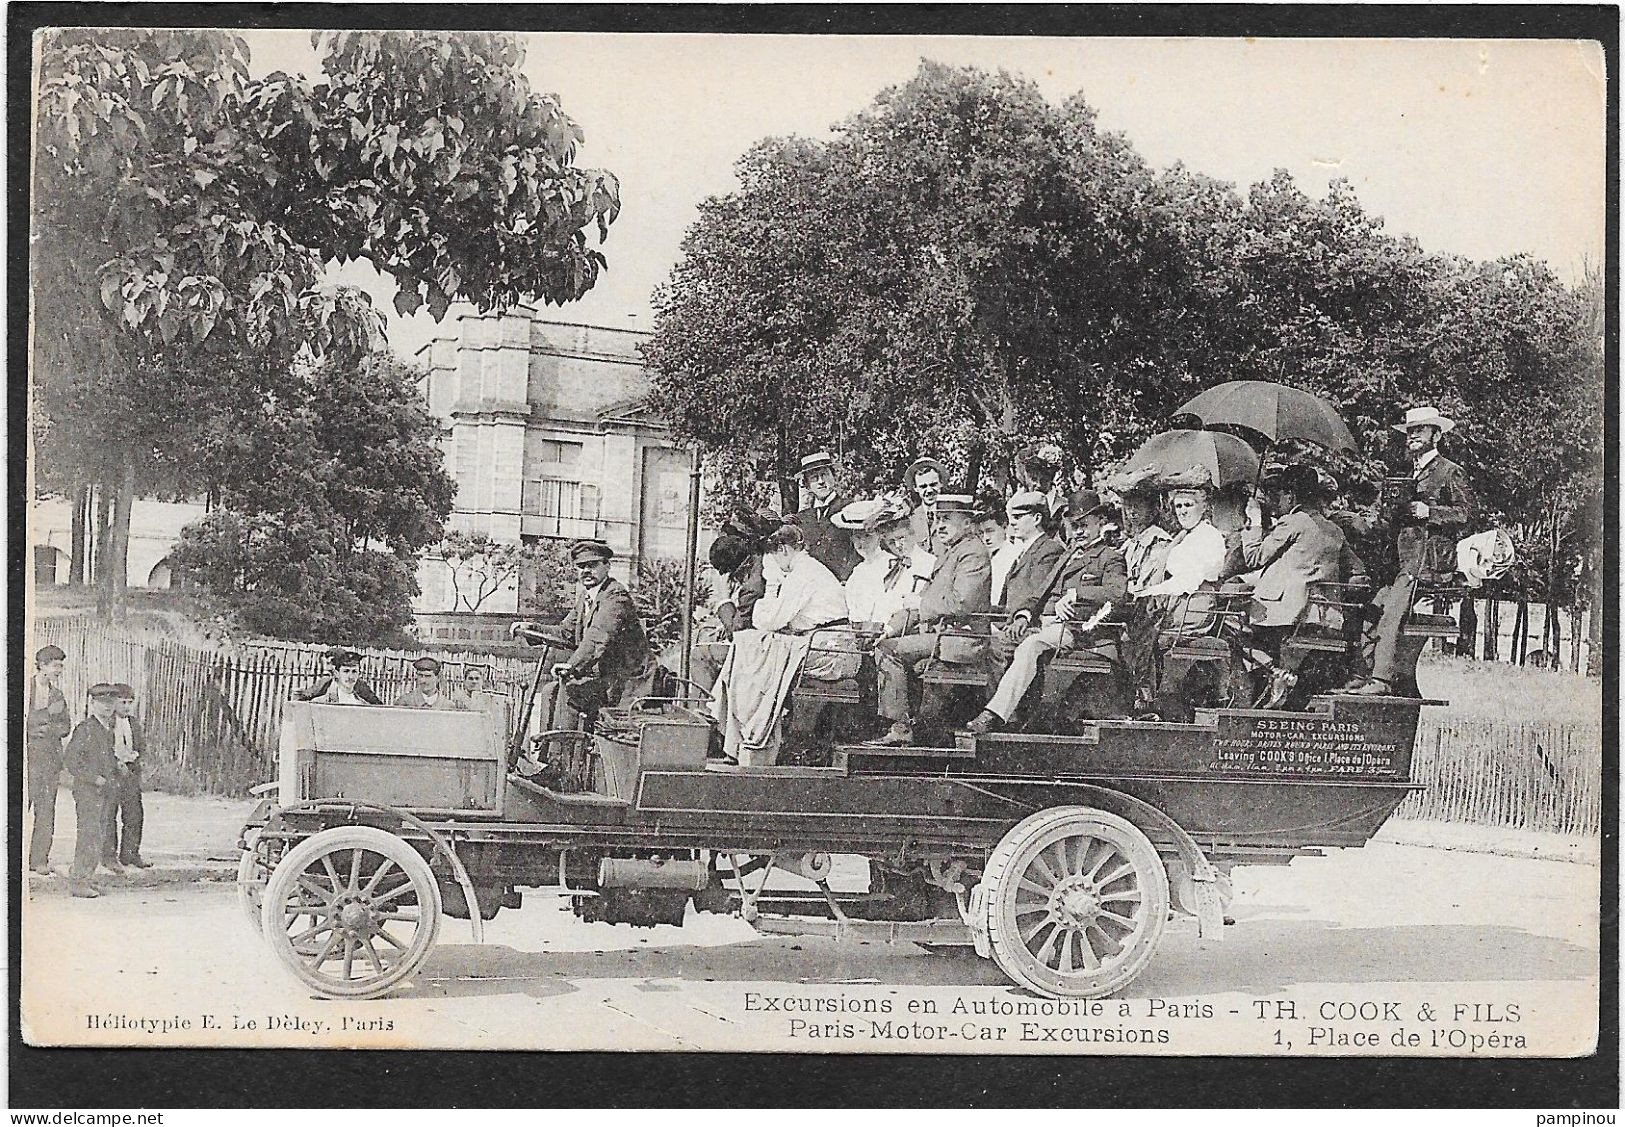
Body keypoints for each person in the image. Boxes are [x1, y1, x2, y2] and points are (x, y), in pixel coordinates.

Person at [968, 489, 1128, 735]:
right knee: (998, 641)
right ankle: (1014, 715)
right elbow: (1040, 593)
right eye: (1074, 527)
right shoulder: (1068, 556)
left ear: (1101, 522)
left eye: (1084, 525)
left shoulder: (1110, 557)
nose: (1079, 532)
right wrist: (1023, 615)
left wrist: (1075, 595)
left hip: (1080, 631)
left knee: (1031, 645)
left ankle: (995, 714)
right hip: (1049, 625)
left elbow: (1117, 594)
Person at [1349, 406, 1477, 695]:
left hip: (1428, 565)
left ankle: (1381, 680)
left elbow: (1467, 515)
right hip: (1400, 563)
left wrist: (1428, 511)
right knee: (1371, 610)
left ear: (1437, 433)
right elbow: (1386, 523)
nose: (1413, 436)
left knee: (1393, 613)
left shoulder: (1450, 471)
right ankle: (1362, 674)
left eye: (1420, 429)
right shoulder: (1403, 476)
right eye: (1410, 431)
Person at [872, 494, 992, 746]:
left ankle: (901, 728)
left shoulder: (973, 553)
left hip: (964, 639)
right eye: (937, 519)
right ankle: (906, 727)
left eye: (947, 519)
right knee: (886, 643)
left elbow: (962, 602)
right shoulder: (952, 553)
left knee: (888, 652)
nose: (939, 526)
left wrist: (921, 605)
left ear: (968, 522)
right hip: (943, 637)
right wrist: (891, 627)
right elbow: (926, 600)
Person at [1235, 464, 1360, 707]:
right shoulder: (1334, 529)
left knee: (1231, 630)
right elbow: (1357, 570)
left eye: (1277, 496)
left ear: (1291, 496)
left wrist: (1253, 521)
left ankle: (1275, 673)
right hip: (1323, 615)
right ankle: (1281, 677)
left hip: (1282, 615)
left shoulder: (1293, 522)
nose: (1274, 502)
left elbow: (1254, 558)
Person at [516, 539, 651, 729]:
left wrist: (571, 666)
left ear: (607, 565)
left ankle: (566, 753)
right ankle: (552, 754)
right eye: (581, 566)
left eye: (592, 565)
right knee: (550, 691)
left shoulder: (616, 597)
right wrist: (531, 628)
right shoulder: (586, 598)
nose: (586, 570)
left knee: (571, 692)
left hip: (628, 683)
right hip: (605, 679)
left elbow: (597, 637)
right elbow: (566, 632)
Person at [754, 523, 859, 680]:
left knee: (760, 656)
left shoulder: (800, 575)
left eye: (773, 556)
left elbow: (769, 622)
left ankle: (752, 703)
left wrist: (771, 584)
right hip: (832, 646)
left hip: (832, 653)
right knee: (765, 653)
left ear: (782, 549)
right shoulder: (809, 567)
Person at [64, 684, 121, 897]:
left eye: (110, 703)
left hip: (104, 791)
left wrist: (117, 765)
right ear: (92, 704)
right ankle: (78, 881)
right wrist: (93, 778)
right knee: (88, 835)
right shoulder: (86, 728)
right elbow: (71, 761)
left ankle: (87, 877)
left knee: (99, 835)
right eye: (102, 703)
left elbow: (104, 758)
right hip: (88, 791)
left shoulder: (107, 729)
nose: (107, 707)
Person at [833, 496, 913, 633]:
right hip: (858, 635)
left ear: (880, 535)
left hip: (881, 635)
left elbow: (887, 611)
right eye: (857, 537)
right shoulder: (858, 571)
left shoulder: (891, 566)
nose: (861, 543)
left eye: (867, 536)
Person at [27, 644, 72, 874]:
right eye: (56, 666)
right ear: (42, 665)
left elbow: (65, 726)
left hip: (49, 760)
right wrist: (36, 727)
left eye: (61, 666)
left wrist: (48, 729)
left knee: (46, 810)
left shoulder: (58, 695)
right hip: (25, 760)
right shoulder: (24, 689)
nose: (59, 670)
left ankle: (39, 860)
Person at [789, 451, 861, 581]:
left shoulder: (851, 509)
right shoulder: (801, 518)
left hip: (845, 584)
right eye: (814, 477)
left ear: (834, 477)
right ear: (807, 484)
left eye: (825, 474)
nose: (821, 481)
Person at [103, 683, 150, 869]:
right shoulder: (107, 723)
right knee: (109, 815)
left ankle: (130, 854)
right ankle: (108, 856)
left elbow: (141, 746)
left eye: (130, 702)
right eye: (122, 702)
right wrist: (116, 763)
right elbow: (104, 749)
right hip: (112, 773)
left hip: (130, 773)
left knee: (134, 815)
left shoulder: (133, 723)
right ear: (113, 702)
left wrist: (137, 756)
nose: (127, 707)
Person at [295, 647, 384, 704]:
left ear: (359, 674)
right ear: (337, 673)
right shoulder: (321, 702)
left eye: (354, 672)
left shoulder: (363, 704)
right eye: (346, 671)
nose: (350, 677)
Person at [904, 457, 949, 556]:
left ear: (941, 483)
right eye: (923, 486)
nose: (929, 490)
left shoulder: (952, 515)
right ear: (915, 488)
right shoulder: (909, 519)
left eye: (933, 484)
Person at [393, 656, 465, 709]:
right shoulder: (405, 702)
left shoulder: (447, 705)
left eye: (428, 676)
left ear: (438, 678)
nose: (422, 680)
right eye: (420, 675)